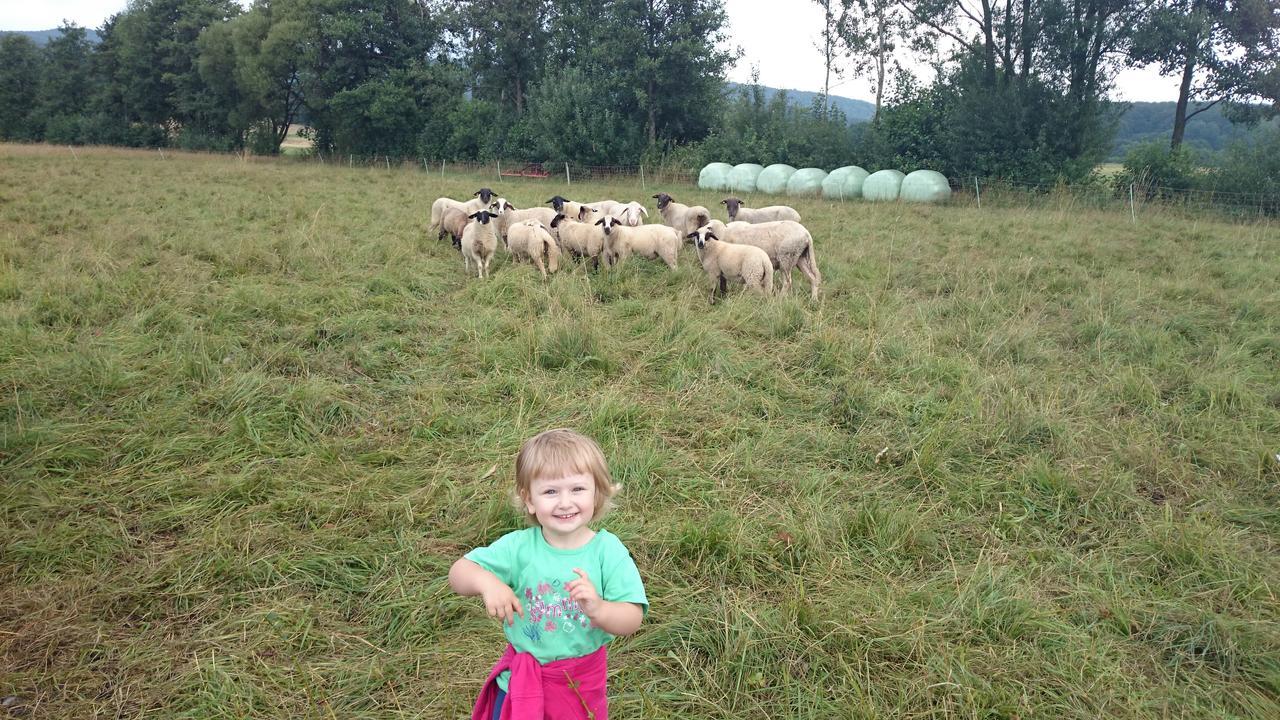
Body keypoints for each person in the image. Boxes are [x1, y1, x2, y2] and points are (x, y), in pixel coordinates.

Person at [449, 428, 648, 720]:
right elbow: (459, 572)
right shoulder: (519, 547)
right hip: (520, 681)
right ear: (529, 499)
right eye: (550, 491)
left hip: (579, 685)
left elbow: (632, 619)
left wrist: (599, 609)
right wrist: (487, 582)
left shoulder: (607, 551)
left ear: (597, 493)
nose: (565, 502)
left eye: (577, 489)